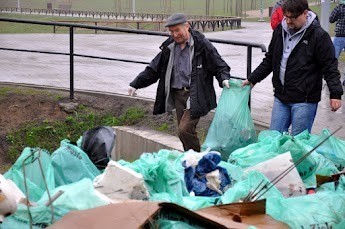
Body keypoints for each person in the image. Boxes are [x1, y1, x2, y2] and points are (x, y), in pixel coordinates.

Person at [128, 13, 231, 152]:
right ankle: (191, 160)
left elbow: (219, 65)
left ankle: (196, 159)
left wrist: (224, 78)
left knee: (184, 130)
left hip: (195, 94)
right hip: (177, 95)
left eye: (177, 30)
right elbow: (154, 69)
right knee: (184, 132)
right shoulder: (169, 48)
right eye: (171, 32)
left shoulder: (202, 45)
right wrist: (136, 84)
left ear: (187, 26)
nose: (175, 35)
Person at [242, 0, 343, 136]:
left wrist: (335, 93)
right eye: (286, 17)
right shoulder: (280, 30)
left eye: (293, 18)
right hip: (281, 97)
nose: (288, 21)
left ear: (305, 13)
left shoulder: (319, 36)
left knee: (298, 145)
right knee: (273, 139)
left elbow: (330, 66)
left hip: (304, 101)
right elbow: (270, 59)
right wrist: (252, 79)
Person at [330, 0, 345, 86]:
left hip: (339, 36)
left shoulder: (339, 8)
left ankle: (333, 79)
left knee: (333, 59)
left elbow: (331, 19)